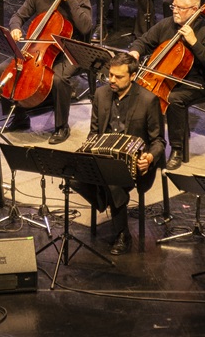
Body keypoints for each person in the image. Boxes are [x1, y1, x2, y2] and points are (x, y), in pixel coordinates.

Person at [70, 52, 165, 255]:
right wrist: (88, 151)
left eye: (118, 76)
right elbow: (94, 133)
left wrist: (149, 158)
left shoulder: (148, 100)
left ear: (132, 76)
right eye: (110, 75)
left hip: (135, 164)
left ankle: (123, 234)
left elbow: (158, 141)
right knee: (74, 177)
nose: (112, 80)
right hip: (104, 157)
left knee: (112, 183)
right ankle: (105, 200)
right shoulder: (101, 95)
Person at [0, 0, 93, 144]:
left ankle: (61, 127)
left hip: (70, 53)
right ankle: (20, 117)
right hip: (40, 51)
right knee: (3, 70)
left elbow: (86, 27)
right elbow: (18, 16)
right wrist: (15, 28)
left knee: (58, 78)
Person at [128, 0, 205, 170]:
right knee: (138, 90)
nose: (175, 11)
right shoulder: (166, 25)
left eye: (181, 7)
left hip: (196, 82)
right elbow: (144, 40)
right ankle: (138, 141)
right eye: (174, 6)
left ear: (195, 10)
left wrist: (194, 42)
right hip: (166, 78)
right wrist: (135, 51)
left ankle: (176, 149)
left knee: (173, 99)